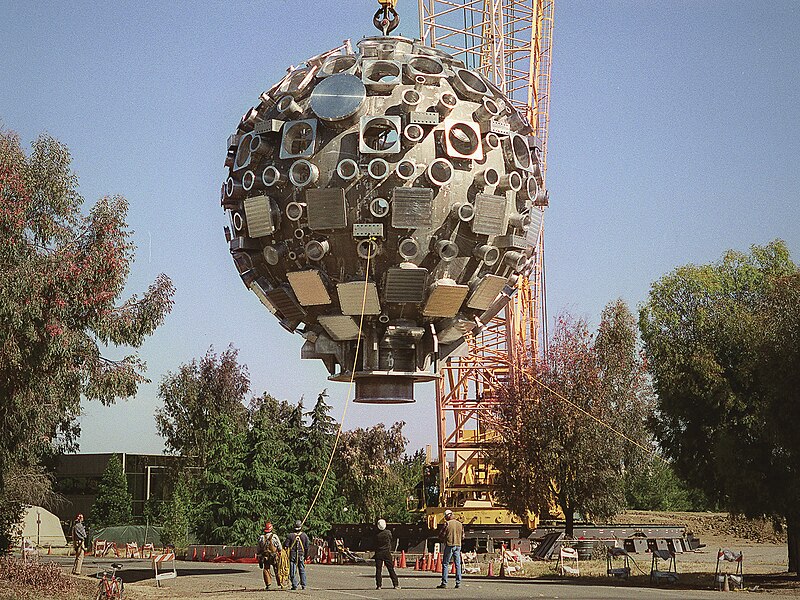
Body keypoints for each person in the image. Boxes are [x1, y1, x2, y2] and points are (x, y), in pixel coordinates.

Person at [437, 509, 463, 589]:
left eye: (445, 516)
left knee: (445, 564)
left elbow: (441, 535)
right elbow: (463, 536)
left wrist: (443, 539)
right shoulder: (460, 524)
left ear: (448, 516)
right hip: (458, 545)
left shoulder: (447, 524)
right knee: (458, 564)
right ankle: (458, 583)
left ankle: (444, 583)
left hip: (449, 545)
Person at [256, 521, 285, 590]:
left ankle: (268, 584)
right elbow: (280, 547)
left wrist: (259, 556)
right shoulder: (274, 536)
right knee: (277, 569)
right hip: (274, 556)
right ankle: (281, 583)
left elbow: (258, 549)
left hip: (265, 556)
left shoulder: (261, 537)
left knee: (266, 569)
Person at [284, 520, 310, 590]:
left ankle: (294, 585)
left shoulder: (290, 535)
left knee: (292, 571)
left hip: (293, 555)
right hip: (301, 555)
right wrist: (306, 556)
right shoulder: (304, 536)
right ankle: (303, 585)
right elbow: (307, 547)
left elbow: (286, 545)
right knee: (302, 570)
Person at [374, 519, 400, 590]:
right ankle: (395, 584)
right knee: (390, 569)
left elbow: (374, 543)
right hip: (386, 552)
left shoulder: (377, 534)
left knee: (378, 570)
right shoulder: (388, 533)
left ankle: (379, 585)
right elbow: (391, 538)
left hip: (379, 552)